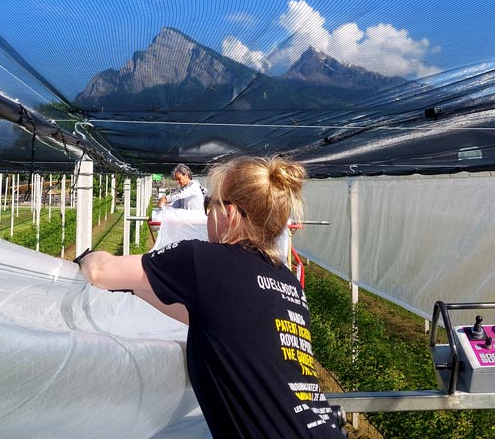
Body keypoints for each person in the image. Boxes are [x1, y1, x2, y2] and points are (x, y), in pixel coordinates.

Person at [77, 156, 347, 438]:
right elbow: (203, 316)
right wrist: (135, 285)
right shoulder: (286, 281)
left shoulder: (204, 260)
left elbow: (99, 270)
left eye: (210, 205)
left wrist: (85, 258)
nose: (207, 214)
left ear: (228, 213)